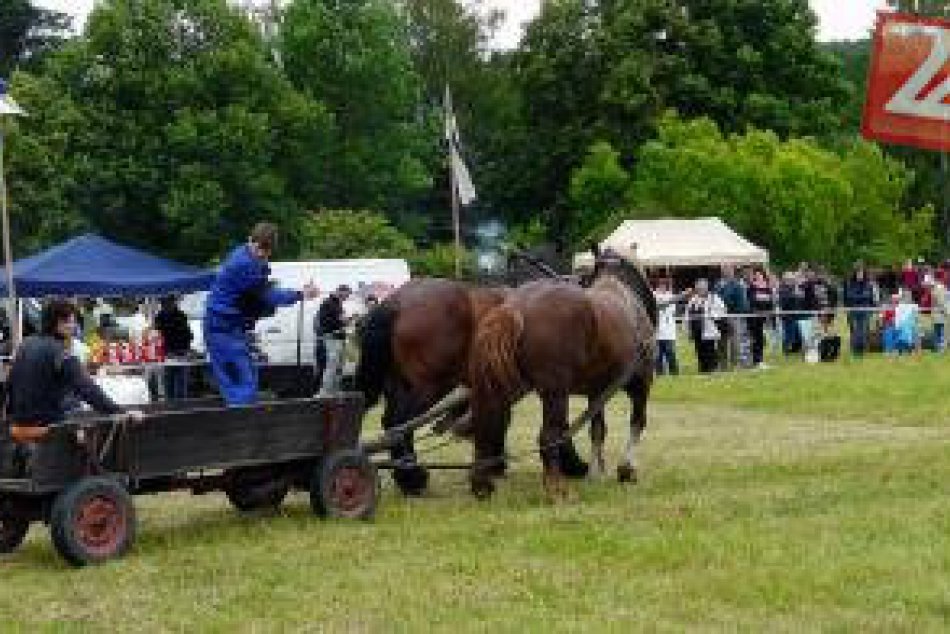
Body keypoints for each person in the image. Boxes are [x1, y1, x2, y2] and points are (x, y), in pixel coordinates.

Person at [204, 223, 319, 406]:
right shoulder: (244, 264)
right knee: (242, 385)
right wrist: (300, 294)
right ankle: (239, 426)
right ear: (251, 240)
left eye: (266, 251)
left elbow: (260, 293)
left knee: (247, 379)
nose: (262, 254)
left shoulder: (248, 257)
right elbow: (269, 296)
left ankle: (240, 420)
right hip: (222, 329)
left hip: (231, 328)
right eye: (259, 249)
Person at [5, 300, 142, 439]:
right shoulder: (60, 352)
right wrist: (119, 412)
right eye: (72, 321)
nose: (75, 326)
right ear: (59, 323)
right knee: (85, 434)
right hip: (47, 428)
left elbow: (9, 383)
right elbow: (86, 388)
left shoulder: (25, 344)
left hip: (17, 426)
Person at [154, 295, 194, 400]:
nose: (164, 305)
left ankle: (182, 408)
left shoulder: (181, 316)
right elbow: (157, 337)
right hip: (167, 354)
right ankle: (170, 406)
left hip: (180, 353)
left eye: (166, 302)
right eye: (163, 303)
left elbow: (188, 336)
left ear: (172, 302)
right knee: (169, 385)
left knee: (180, 385)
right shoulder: (159, 317)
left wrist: (186, 350)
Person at [314, 285, 352, 394]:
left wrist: (345, 321)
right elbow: (325, 321)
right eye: (346, 295)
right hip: (332, 337)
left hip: (339, 337)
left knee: (339, 365)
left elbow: (337, 320)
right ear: (340, 291)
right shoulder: (328, 303)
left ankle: (335, 389)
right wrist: (343, 321)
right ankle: (325, 391)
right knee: (332, 364)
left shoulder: (337, 304)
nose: (347, 298)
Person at [686, 279, 726, 374]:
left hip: (709, 329)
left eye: (702, 287)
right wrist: (688, 330)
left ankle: (713, 369)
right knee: (700, 351)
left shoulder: (714, 298)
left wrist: (713, 315)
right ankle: (703, 370)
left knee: (710, 351)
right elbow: (687, 315)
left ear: (707, 287)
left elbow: (722, 310)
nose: (700, 289)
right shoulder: (693, 300)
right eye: (698, 287)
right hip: (696, 330)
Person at [843, 262, 877, 357]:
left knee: (864, 330)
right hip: (853, 309)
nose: (860, 274)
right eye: (858, 272)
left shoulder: (868, 283)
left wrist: (872, 307)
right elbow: (848, 296)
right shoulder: (849, 283)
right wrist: (861, 297)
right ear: (855, 273)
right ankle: (855, 350)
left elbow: (870, 297)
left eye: (861, 272)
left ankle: (862, 349)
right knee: (854, 331)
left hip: (866, 309)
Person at [746, 268, 774, 369]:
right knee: (756, 339)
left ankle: (759, 360)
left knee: (761, 340)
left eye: (760, 275)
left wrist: (769, 314)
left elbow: (770, 303)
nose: (758, 276)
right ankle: (756, 360)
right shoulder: (751, 287)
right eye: (756, 275)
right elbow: (750, 302)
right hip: (754, 318)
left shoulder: (768, 288)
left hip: (764, 318)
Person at [654, 278, 680, 376]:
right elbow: (656, 307)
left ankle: (674, 372)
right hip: (657, 331)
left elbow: (670, 309)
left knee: (670, 353)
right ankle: (659, 374)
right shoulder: (653, 295)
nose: (662, 287)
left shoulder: (671, 295)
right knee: (658, 355)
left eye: (664, 286)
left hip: (668, 331)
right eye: (660, 286)